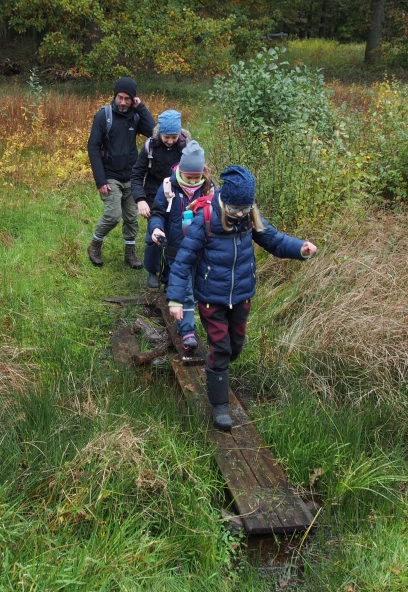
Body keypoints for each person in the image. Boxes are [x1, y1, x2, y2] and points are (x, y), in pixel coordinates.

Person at [166, 166, 318, 432]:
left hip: (242, 296)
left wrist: (300, 249)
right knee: (221, 349)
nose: (238, 215)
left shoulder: (250, 219)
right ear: (225, 200)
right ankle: (220, 406)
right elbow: (183, 262)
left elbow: (275, 241)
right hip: (212, 298)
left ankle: (219, 368)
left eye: (244, 209)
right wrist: (176, 300)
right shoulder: (207, 219)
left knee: (235, 345)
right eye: (234, 209)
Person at [147, 140, 213, 355]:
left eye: (197, 177)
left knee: (198, 290)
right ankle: (187, 333)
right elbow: (157, 213)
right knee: (185, 292)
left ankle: (204, 326)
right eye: (188, 177)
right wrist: (157, 230)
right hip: (176, 249)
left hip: (202, 251)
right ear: (180, 171)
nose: (193, 181)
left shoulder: (210, 189)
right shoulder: (168, 187)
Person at [86, 77, 155, 269]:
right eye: (120, 97)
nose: (123, 102)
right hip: (110, 175)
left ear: (133, 99)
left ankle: (130, 253)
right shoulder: (104, 116)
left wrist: (140, 108)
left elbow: (154, 132)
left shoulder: (135, 115)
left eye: (127, 99)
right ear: (115, 96)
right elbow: (93, 147)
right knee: (113, 215)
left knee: (132, 217)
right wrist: (100, 180)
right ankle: (95, 245)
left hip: (131, 176)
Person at [130, 109, 192, 288]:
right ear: (160, 133)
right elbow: (136, 175)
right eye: (167, 137)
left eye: (174, 137)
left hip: (179, 199)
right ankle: (152, 270)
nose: (170, 141)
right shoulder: (150, 146)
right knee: (154, 237)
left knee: (174, 237)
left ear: (179, 133)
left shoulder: (187, 147)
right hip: (153, 198)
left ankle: (169, 274)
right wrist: (140, 199)